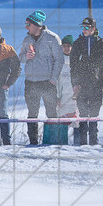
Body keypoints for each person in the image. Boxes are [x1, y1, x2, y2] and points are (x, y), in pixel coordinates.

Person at [19, 10, 64, 145]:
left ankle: (53, 141)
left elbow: (59, 60)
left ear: (36, 24)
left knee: (51, 112)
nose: (26, 27)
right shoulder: (27, 39)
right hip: (31, 82)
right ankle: (33, 142)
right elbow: (19, 58)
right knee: (32, 113)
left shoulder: (52, 38)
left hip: (47, 82)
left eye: (28, 24)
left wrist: (54, 78)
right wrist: (25, 57)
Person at [70, 16, 103, 145]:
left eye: (87, 27)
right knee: (82, 113)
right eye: (83, 27)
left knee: (94, 114)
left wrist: (102, 84)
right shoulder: (77, 43)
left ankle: (93, 141)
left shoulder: (100, 43)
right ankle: (82, 142)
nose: (84, 30)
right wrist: (75, 84)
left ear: (93, 29)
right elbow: (73, 66)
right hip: (81, 84)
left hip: (96, 84)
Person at [47, 35, 78, 145]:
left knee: (76, 121)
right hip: (63, 96)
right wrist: (57, 97)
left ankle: (78, 145)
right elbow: (57, 82)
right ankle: (62, 143)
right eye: (64, 46)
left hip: (74, 96)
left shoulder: (76, 60)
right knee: (62, 121)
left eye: (69, 46)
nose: (67, 48)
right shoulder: (59, 61)